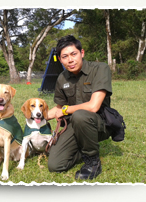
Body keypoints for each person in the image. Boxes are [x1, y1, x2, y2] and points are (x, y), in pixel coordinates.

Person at [47, 35, 112, 180]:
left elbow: (93, 106)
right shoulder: (62, 78)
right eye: (64, 56)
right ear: (60, 59)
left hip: (99, 123)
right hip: (74, 124)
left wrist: (64, 110)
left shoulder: (100, 69)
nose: (70, 60)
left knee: (80, 115)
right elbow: (58, 107)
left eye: (73, 54)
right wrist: (38, 115)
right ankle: (83, 149)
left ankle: (92, 161)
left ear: (81, 53)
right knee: (55, 165)